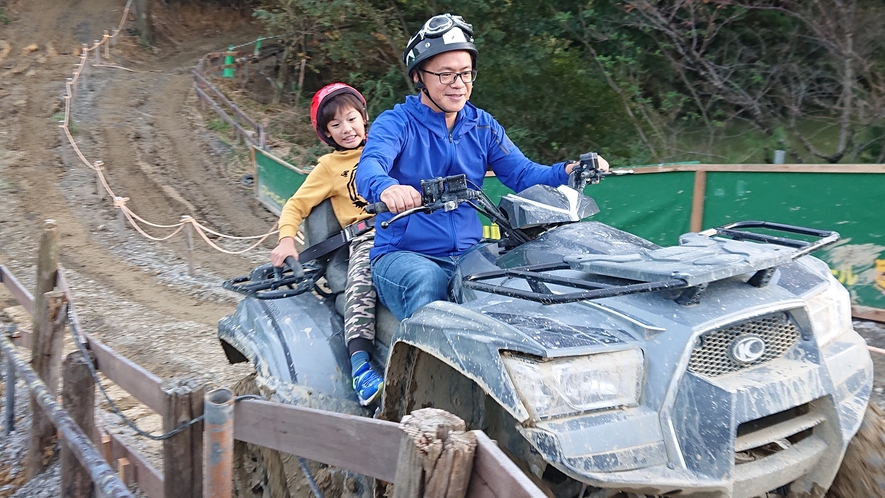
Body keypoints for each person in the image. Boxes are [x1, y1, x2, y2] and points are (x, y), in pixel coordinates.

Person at [356, 13, 609, 321]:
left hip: (467, 252)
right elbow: (370, 166)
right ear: (419, 76)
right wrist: (388, 188)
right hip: (404, 254)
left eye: (465, 73)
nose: (458, 85)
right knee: (428, 280)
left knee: (517, 284)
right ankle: (413, 366)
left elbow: (523, 174)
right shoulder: (397, 123)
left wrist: (567, 171)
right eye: (446, 75)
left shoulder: (482, 126)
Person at [271, 83, 383, 406]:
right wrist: (286, 240)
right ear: (327, 133)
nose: (346, 129)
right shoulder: (329, 168)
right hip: (369, 236)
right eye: (336, 125)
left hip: (412, 224)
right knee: (364, 274)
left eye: (351, 119)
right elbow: (296, 205)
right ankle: (361, 366)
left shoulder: (387, 145)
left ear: (364, 118)